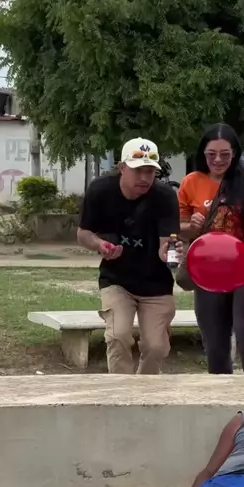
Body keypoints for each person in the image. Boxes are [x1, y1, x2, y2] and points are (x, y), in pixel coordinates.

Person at [77, 137, 183, 374]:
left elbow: (166, 246)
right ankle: (120, 391)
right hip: (116, 280)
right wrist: (100, 245)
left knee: (156, 347)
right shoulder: (100, 190)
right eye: (138, 170)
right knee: (118, 336)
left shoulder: (165, 197)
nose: (144, 178)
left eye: (150, 171)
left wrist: (170, 253)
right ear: (122, 167)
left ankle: (145, 390)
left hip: (156, 284)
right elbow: (83, 234)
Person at [178, 123, 244, 376]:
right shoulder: (191, 182)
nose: (218, 160)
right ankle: (221, 393)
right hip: (209, 270)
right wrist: (191, 226)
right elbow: (180, 228)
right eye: (212, 154)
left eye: (225, 154)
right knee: (214, 341)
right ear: (203, 153)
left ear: (235, 154)